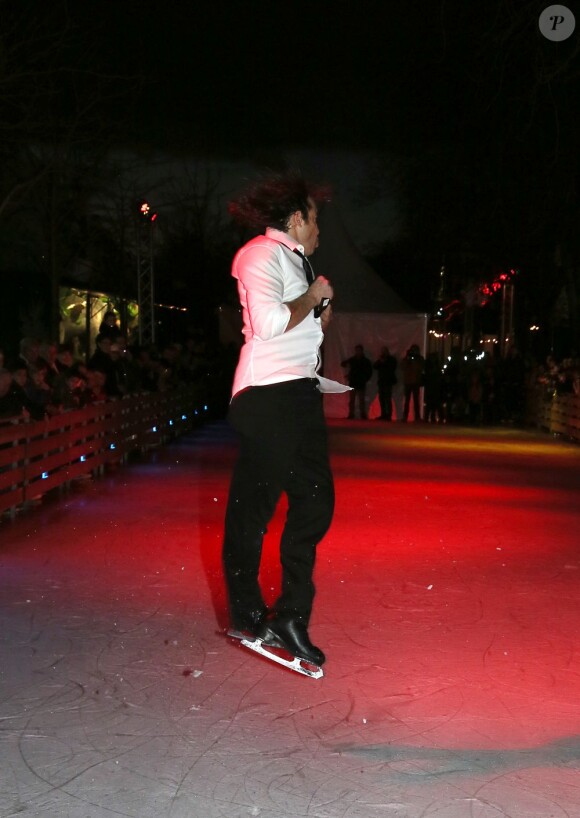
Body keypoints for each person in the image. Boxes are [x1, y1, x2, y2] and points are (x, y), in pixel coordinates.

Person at [222, 170, 349, 671]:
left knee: (316, 500)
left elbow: (299, 323)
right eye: (315, 220)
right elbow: (272, 323)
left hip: (298, 394)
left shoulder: (297, 261)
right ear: (296, 218)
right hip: (267, 395)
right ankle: (249, 612)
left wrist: (319, 309)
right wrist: (313, 298)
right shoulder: (259, 254)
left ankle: (290, 615)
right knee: (253, 507)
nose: (319, 230)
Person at [341, 345, 373, 419]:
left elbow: (369, 371)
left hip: (360, 381)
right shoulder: (353, 360)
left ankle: (362, 414)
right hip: (354, 381)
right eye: (357, 350)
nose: (358, 352)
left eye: (359, 350)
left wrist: (366, 378)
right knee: (352, 400)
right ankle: (352, 414)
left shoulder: (365, 361)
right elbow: (343, 364)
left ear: (361, 351)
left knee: (361, 400)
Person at [401, 344, 425, 421]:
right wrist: (408, 358)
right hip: (408, 381)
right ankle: (405, 416)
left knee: (416, 401)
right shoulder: (407, 358)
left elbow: (420, 368)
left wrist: (414, 360)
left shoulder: (420, 359)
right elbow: (402, 367)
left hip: (415, 382)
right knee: (407, 401)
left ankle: (417, 417)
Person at [373, 346, 397, 420]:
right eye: (382, 351)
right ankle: (383, 414)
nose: (383, 352)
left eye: (384, 351)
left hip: (388, 381)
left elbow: (393, 367)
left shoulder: (391, 359)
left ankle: (389, 415)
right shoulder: (380, 360)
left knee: (387, 399)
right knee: (382, 399)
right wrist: (380, 361)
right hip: (381, 382)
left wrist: (385, 362)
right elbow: (374, 366)